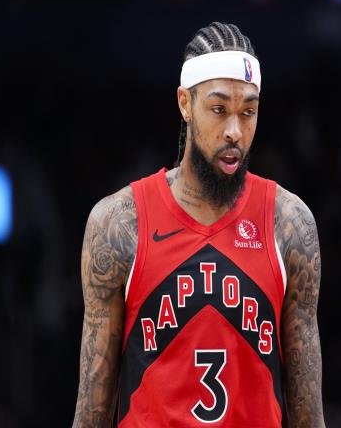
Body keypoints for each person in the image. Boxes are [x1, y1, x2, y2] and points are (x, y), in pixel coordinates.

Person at [72, 22, 325, 428]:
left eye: (248, 112)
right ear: (185, 104)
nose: (234, 131)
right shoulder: (119, 224)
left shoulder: (289, 224)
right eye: (219, 109)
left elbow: (308, 417)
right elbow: (91, 414)